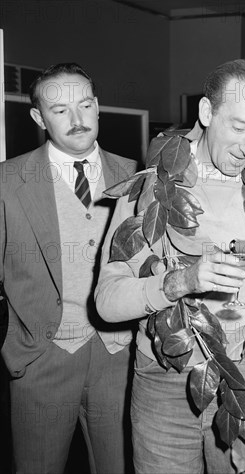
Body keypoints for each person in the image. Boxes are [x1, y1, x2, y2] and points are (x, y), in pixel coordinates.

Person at [95, 59, 245, 473]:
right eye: (238, 126)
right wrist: (183, 280)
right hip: (164, 383)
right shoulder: (150, 189)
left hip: (243, 381)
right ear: (205, 113)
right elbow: (107, 302)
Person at [0, 63, 137, 474]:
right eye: (60, 110)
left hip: (119, 358)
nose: (77, 120)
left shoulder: (137, 176)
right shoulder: (7, 182)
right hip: (41, 359)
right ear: (38, 117)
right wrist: (13, 348)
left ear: (97, 108)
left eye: (85, 105)